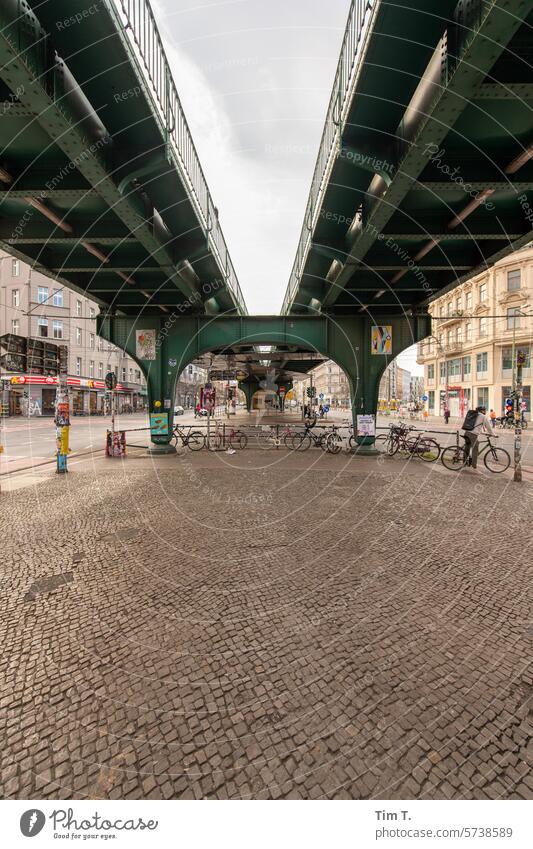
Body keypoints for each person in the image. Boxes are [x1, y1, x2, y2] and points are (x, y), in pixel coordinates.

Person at [462, 405, 497, 470]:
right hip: (473, 435)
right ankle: (473, 465)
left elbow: (476, 427)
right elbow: (489, 427)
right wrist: (493, 434)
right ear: (482, 410)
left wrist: (484, 433)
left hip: (467, 432)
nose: (485, 411)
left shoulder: (474, 415)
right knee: (475, 448)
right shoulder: (483, 417)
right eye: (484, 410)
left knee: (467, 447)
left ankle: (465, 462)